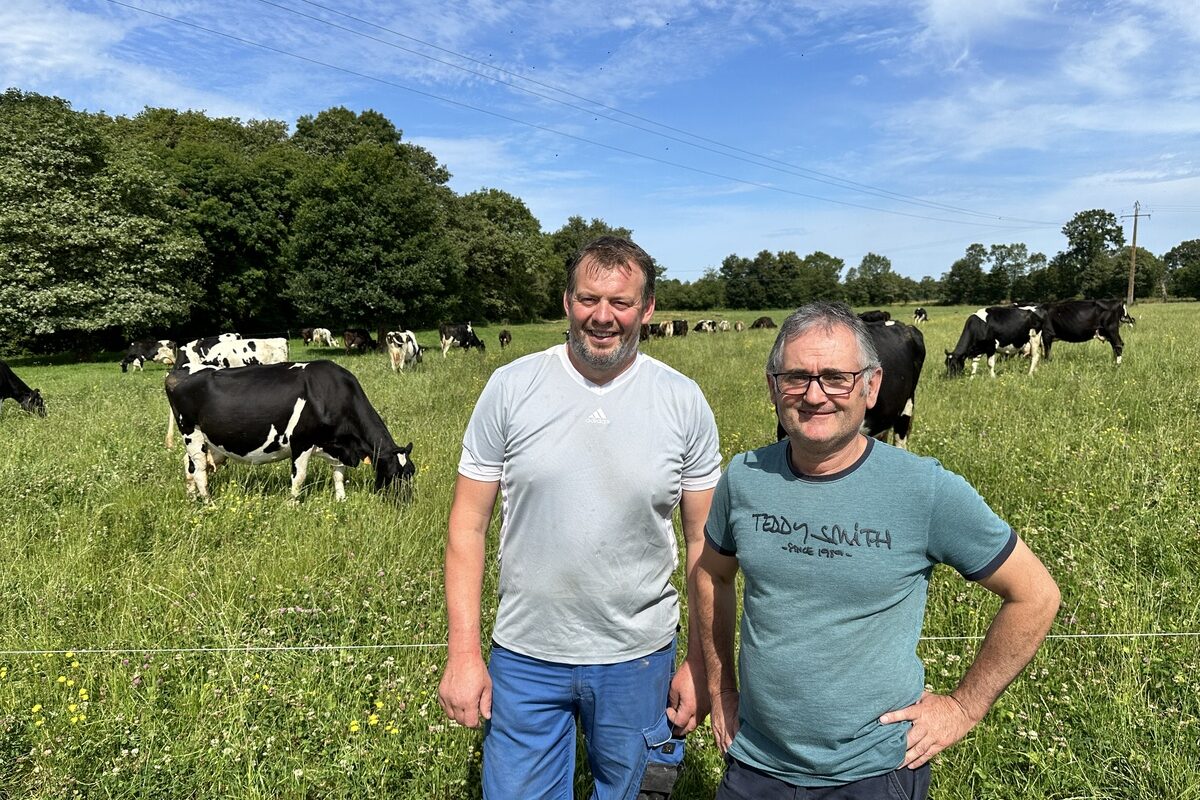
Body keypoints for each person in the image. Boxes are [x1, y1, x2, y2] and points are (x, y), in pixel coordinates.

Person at [694, 301, 1060, 799]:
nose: (815, 395)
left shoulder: (923, 488)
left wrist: (963, 708)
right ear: (773, 387)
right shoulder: (744, 476)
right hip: (754, 766)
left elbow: (1035, 594)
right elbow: (711, 575)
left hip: (873, 773)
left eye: (837, 378)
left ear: (871, 387)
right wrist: (721, 690)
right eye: (796, 377)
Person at [438, 236, 723, 799]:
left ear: (647, 310)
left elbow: (702, 543)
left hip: (640, 658)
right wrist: (464, 654)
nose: (603, 316)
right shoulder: (511, 388)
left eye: (620, 302)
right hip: (526, 657)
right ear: (567, 301)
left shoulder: (682, 400)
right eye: (589, 298)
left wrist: (698, 660)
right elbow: (466, 528)